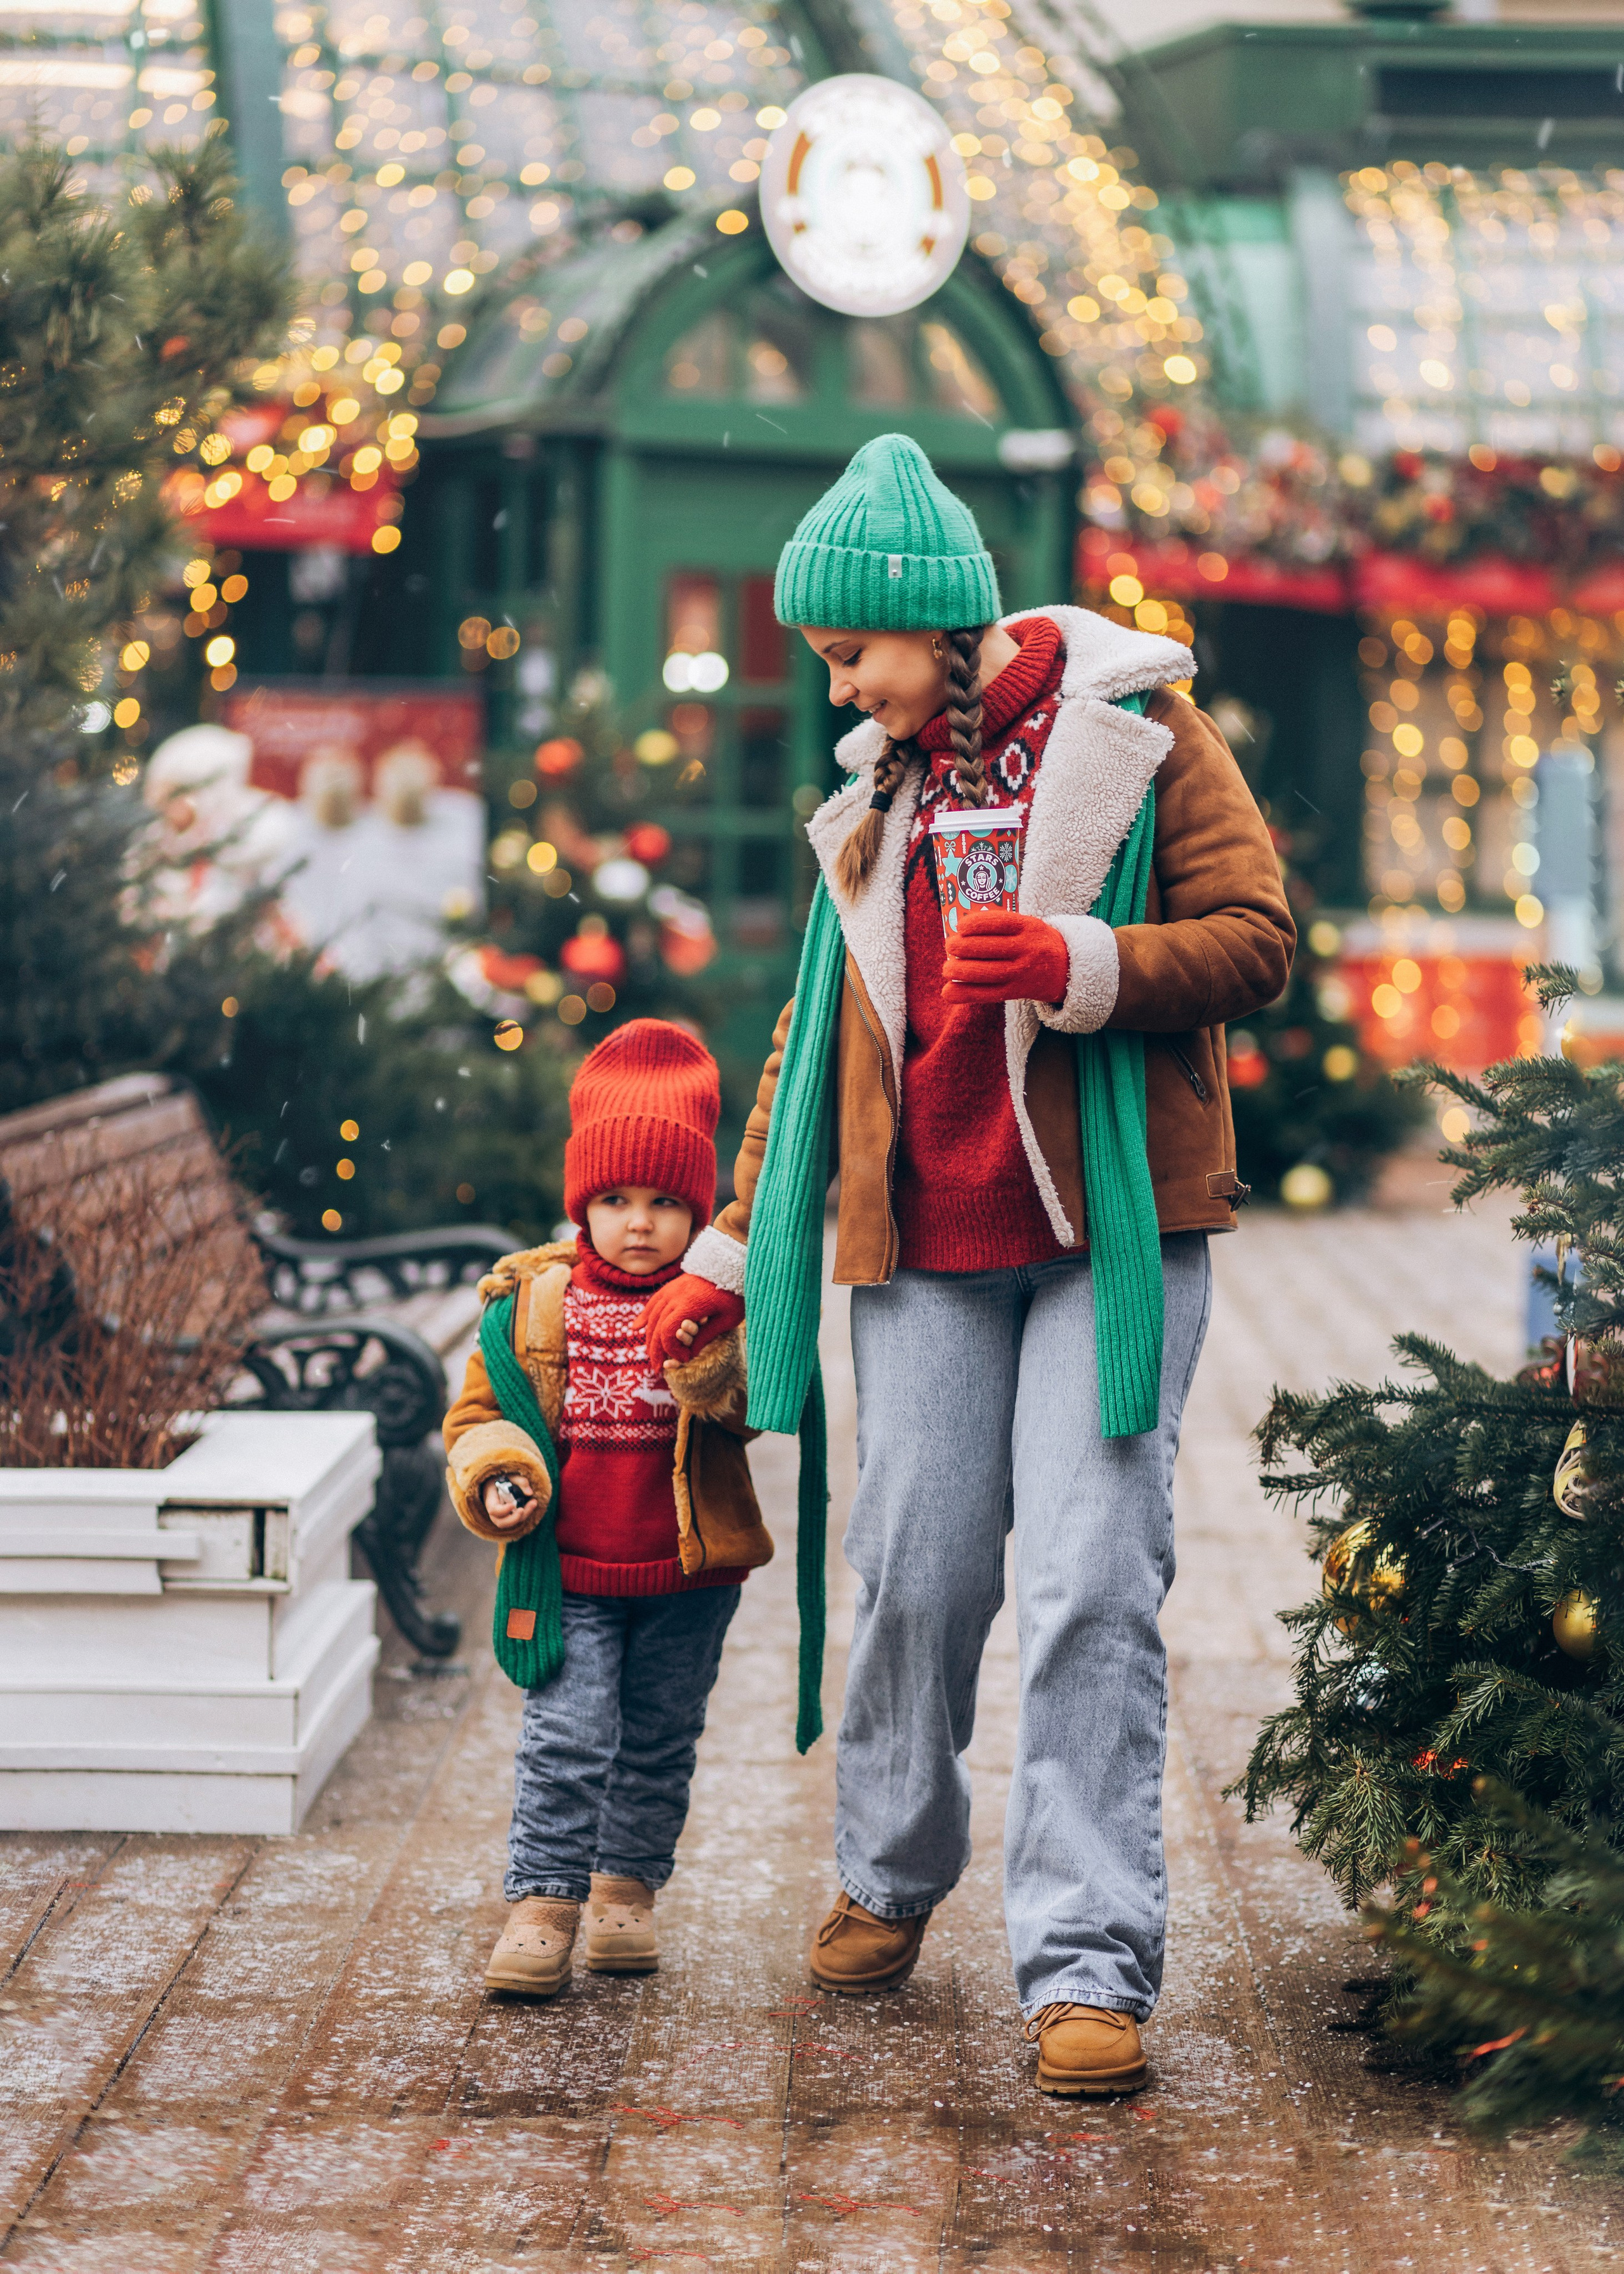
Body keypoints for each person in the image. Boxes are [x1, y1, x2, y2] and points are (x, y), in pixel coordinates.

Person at [643, 434, 1293, 2097]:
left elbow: (1257, 940)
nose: (834, 681)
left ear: (936, 624)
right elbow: (822, 1036)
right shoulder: (878, 791)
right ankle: (889, 1863)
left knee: (1091, 1584)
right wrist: (729, 1245)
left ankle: (1086, 1960)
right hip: (922, 1241)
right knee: (915, 1571)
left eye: (848, 647)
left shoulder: (1138, 735)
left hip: (1114, 1235)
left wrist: (1085, 964)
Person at [443, 1019, 773, 1998]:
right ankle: (543, 1903)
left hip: (689, 1572)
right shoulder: (533, 1303)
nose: (640, 1224)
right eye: (617, 1200)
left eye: (668, 1203)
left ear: (698, 1208)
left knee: (660, 1738)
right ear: (582, 1202)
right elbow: (478, 1416)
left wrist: (713, 1363)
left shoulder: (716, 1299)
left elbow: (762, 1408)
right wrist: (501, 1473)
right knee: (568, 1736)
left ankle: (627, 1889)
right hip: (573, 1566)